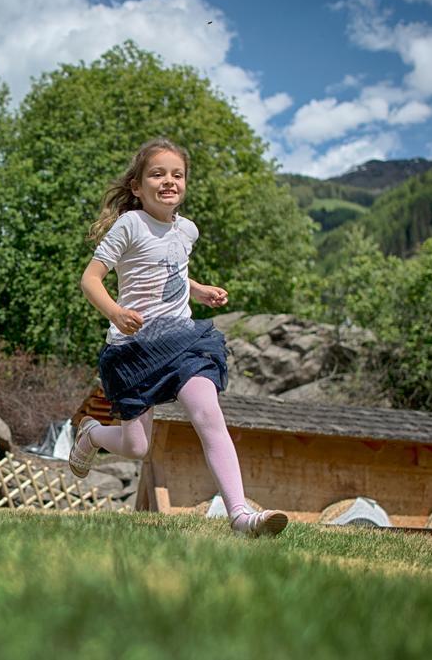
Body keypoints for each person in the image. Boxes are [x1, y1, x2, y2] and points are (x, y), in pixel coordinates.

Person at [70, 137, 288, 537]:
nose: (168, 181)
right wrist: (116, 312)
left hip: (183, 339)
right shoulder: (130, 224)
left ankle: (240, 515)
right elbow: (91, 279)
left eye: (177, 174)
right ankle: (90, 434)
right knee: (137, 447)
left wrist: (198, 289)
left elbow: (170, 271)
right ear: (137, 186)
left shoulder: (187, 229)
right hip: (134, 350)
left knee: (209, 415)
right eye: (157, 174)